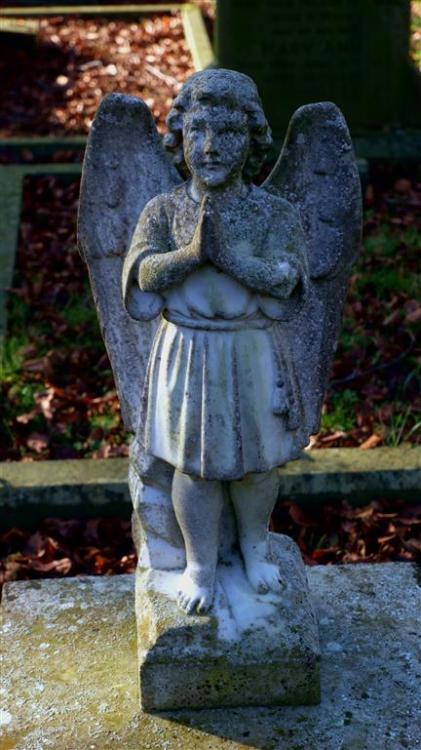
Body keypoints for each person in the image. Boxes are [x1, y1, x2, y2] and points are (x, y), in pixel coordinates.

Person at [122, 69, 308, 615]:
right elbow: (140, 275)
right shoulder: (164, 210)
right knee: (193, 465)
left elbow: (288, 281)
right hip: (187, 350)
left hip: (250, 349)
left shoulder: (274, 213)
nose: (209, 147)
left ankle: (254, 546)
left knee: (257, 464)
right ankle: (200, 562)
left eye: (226, 133)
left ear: (252, 139)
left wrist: (230, 258)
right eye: (197, 131)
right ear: (178, 137)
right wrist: (192, 253)